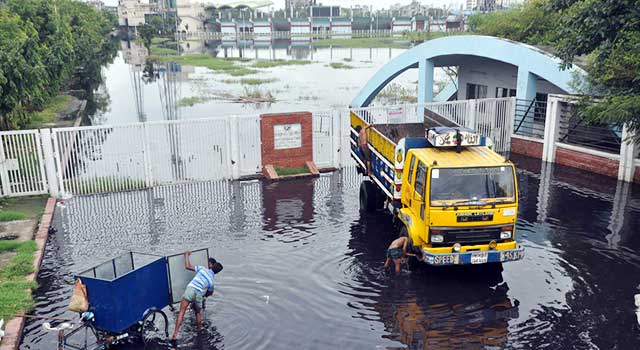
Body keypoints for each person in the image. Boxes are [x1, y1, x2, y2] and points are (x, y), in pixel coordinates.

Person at [171, 251, 223, 343]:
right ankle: (199, 331)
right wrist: (204, 296)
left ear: (211, 265)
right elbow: (210, 293)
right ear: (217, 273)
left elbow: (187, 266)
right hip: (199, 294)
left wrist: (186, 255)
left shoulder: (202, 269)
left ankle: (175, 334)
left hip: (190, 289)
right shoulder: (211, 282)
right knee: (198, 313)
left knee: (182, 312)